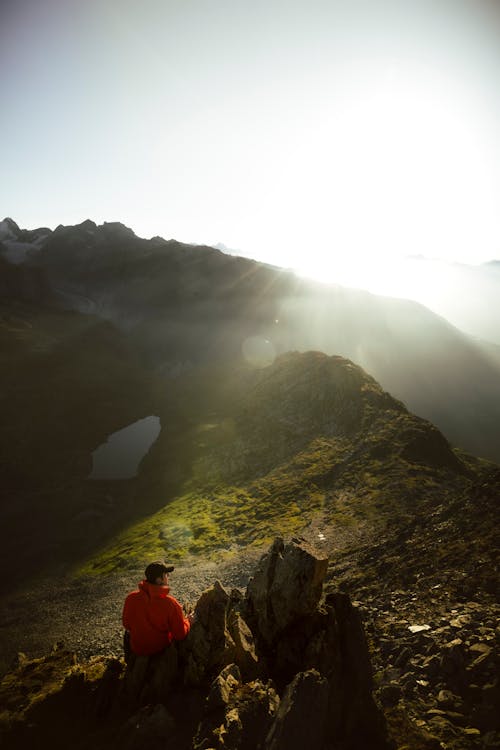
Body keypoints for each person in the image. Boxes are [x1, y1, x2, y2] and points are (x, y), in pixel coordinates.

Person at [122, 561, 194, 661]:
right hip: (160, 649)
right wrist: (187, 621)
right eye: (166, 574)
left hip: (137, 649)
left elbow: (126, 624)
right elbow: (180, 635)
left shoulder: (131, 598)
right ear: (158, 580)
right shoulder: (170, 603)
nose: (168, 576)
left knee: (126, 634)